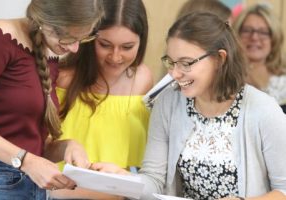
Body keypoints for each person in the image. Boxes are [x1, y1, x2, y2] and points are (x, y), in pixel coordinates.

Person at [92, 12, 286, 200]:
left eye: (186, 63)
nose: (175, 74)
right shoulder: (168, 103)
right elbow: (154, 181)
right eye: (171, 62)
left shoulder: (264, 110)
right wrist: (124, 178)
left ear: (220, 59)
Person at [0, 0, 103, 199]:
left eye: (81, 39)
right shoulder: (0, 39)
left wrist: (66, 147)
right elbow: (23, 153)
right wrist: (27, 162)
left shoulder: (48, 55)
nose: (75, 49)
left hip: (30, 187)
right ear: (46, 22)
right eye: (68, 38)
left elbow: (25, 139)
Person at [50, 0, 153, 199]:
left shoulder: (143, 79)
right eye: (105, 45)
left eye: (127, 47)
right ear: (88, 38)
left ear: (142, 42)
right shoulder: (62, 79)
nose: (115, 57)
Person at [233, 4, 286, 113]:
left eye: (263, 32)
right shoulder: (222, 74)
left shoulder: (282, 80)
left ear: (274, 38)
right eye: (247, 30)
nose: (254, 37)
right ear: (236, 34)